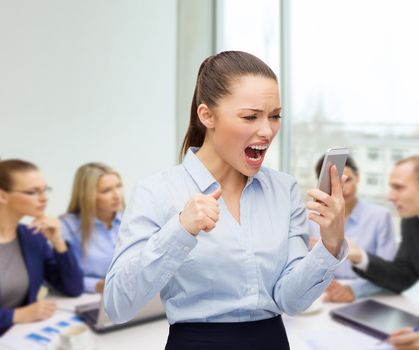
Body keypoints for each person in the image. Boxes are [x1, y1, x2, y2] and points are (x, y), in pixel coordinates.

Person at [104, 51, 348, 350]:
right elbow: (117, 305)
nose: (267, 130)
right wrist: (180, 230)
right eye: (250, 116)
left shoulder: (284, 190)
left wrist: (331, 243)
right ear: (206, 115)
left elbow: (291, 300)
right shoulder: (157, 192)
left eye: (274, 116)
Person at [349, 156, 419, 350]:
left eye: (398, 187)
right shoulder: (412, 223)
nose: (390, 196)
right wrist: (360, 257)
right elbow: (404, 276)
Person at [0, 160, 83, 335]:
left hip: (16, 337)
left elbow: (73, 288)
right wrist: (14, 315)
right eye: (32, 192)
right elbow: (19, 315)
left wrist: (58, 242)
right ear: (2, 196)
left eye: (44, 190)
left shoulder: (32, 237)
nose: (44, 198)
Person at [308, 155, 396, 302]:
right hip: (322, 296)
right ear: (322, 185)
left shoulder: (380, 217)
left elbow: (389, 272)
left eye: (347, 180)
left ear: (358, 177)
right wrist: (325, 285)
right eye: (333, 182)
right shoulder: (310, 218)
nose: (342, 188)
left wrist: (355, 290)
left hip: (367, 295)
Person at [60, 163, 124, 294]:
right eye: (106, 190)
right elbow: (60, 277)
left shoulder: (131, 220)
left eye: (118, 186)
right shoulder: (66, 227)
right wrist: (97, 285)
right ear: (87, 195)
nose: (117, 195)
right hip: (88, 298)